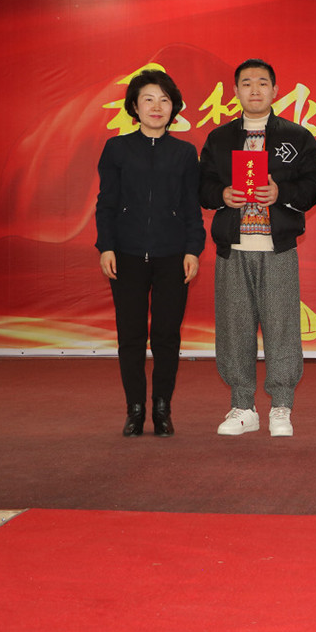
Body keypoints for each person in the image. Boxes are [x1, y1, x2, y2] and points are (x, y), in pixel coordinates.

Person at [199, 59, 316, 438]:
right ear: (235, 91)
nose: (254, 90)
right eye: (246, 83)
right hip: (233, 248)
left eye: (262, 83)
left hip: (278, 248)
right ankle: (243, 406)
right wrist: (222, 194)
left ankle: (281, 406)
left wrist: (281, 193)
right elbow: (202, 186)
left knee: (281, 326)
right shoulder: (219, 138)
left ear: (275, 90)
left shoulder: (296, 136)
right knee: (234, 327)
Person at [95, 69, 205, 437]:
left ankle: (161, 408)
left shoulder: (185, 153)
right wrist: (106, 246)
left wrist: (193, 250)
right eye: (148, 99)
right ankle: (135, 409)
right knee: (130, 337)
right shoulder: (117, 149)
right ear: (135, 106)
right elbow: (106, 204)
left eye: (164, 100)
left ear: (173, 108)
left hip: (173, 256)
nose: (156, 107)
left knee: (166, 336)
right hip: (126, 255)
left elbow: (191, 209)